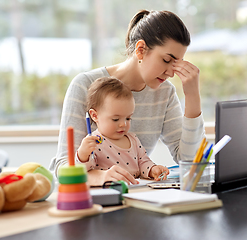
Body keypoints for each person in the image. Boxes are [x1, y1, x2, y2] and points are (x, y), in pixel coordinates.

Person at [49, 9, 205, 186]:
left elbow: (191, 162)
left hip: (137, 196)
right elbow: (63, 168)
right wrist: (101, 176)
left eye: (177, 63)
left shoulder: (165, 92)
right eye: (166, 60)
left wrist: (193, 97)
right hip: (96, 201)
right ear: (140, 50)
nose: (171, 73)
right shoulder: (84, 85)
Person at [76, 77, 169, 184]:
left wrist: (152, 169)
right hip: (109, 192)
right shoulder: (94, 142)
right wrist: (83, 154)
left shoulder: (133, 139)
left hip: (135, 189)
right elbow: (82, 172)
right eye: (115, 119)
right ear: (94, 115)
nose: (123, 124)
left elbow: (143, 162)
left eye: (128, 118)